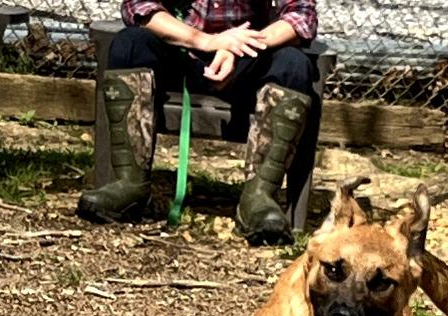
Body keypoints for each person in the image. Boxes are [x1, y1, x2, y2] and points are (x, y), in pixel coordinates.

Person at [77, 0, 318, 245]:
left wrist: (237, 46)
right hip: (182, 52)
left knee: (294, 64)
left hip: (250, 57)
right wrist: (206, 41)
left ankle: (258, 199)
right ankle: (130, 186)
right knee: (129, 43)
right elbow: (138, 6)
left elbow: (301, 16)